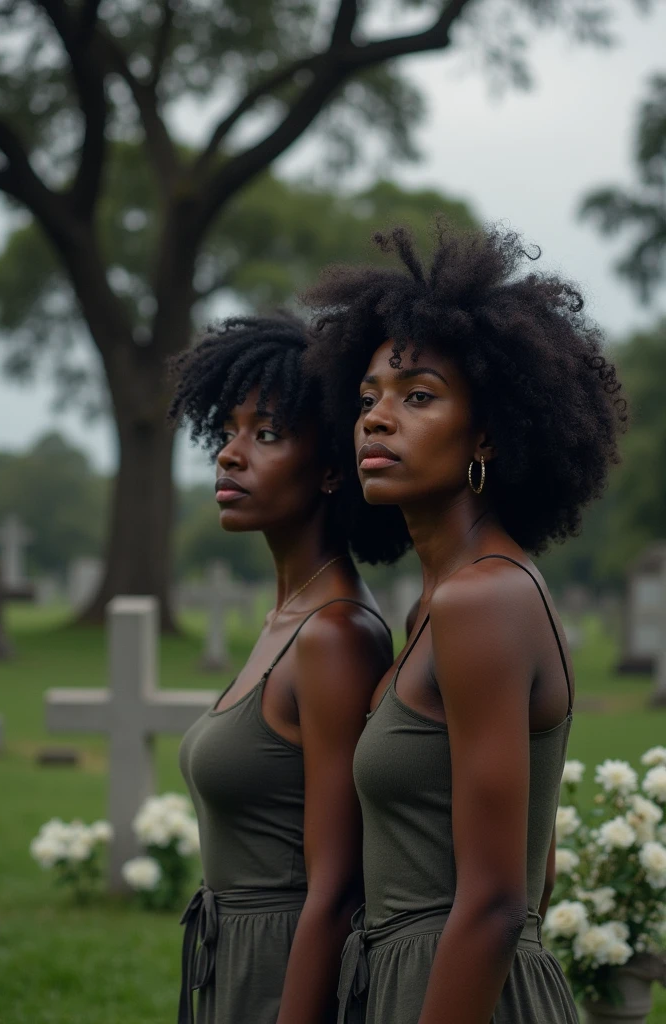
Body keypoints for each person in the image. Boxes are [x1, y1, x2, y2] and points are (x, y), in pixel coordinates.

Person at [304, 224, 626, 1024]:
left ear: (487, 434)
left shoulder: (483, 600)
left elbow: (495, 903)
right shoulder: (441, 601)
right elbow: (539, 858)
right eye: (368, 397)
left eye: (418, 396)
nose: (378, 418)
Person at [167, 313, 405, 1024]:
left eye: (265, 435)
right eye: (230, 432)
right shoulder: (287, 620)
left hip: (285, 978)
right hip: (231, 965)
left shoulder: (335, 635)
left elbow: (336, 886)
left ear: (333, 467)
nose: (230, 456)